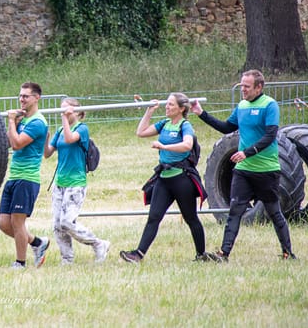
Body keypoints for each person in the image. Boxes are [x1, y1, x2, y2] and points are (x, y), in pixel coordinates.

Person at [191, 69, 296, 262]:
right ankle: (224, 254)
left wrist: (247, 152)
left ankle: (288, 253)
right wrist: (201, 114)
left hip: (266, 170)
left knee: (274, 212)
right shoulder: (241, 106)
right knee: (234, 212)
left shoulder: (269, 105)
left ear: (259, 87)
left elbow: (270, 135)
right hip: (243, 171)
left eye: (247, 87)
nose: (243, 90)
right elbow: (226, 128)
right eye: (241, 86)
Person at [120, 93, 211, 263]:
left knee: (191, 218)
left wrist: (163, 146)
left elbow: (187, 145)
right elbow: (141, 132)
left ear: (181, 109)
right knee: (154, 217)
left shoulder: (185, 125)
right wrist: (149, 111)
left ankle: (201, 255)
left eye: (170, 105)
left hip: (182, 179)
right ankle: (138, 254)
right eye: (167, 104)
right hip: (164, 178)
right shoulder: (165, 123)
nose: (166, 107)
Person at [44, 98, 110, 265]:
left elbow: (69, 139)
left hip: (76, 182)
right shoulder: (60, 130)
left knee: (67, 222)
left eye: (68, 110)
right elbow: (47, 153)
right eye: (62, 110)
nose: (63, 113)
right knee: (58, 226)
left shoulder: (82, 129)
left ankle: (98, 244)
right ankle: (67, 258)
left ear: (78, 112)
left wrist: (65, 120)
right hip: (60, 183)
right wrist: (46, 138)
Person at [0, 82, 50, 269]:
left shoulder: (37, 122)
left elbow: (18, 144)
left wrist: (12, 122)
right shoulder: (23, 120)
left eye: (26, 96)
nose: (21, 99)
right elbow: (8, 142)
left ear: (36, 98)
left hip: (27, 178)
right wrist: (14, 124)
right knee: (4, 224)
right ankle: (37, 243)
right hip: (13, 176)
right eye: (20, 96)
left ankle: (20, 262)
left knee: (18, 222)